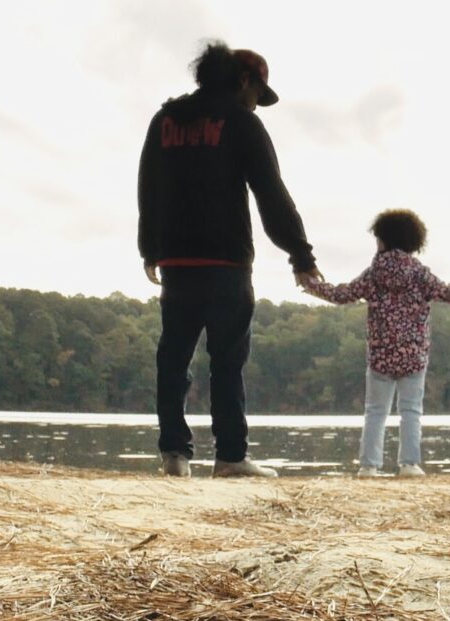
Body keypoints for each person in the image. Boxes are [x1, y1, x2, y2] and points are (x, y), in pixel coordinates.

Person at [138, 41, 322, 479]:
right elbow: (271, 194)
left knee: (174, 358)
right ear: (243, 81)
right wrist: (300, 253)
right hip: (226, 262)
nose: (258, 104)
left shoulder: (164, 120)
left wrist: (150, 248)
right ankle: (231, 457)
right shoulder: (241, 123)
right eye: (259, 93)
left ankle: (174, 456)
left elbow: (148, 188)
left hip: (177, 262)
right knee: (226, 362)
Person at [303, 210, 450, 477]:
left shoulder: (374, 273)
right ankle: (409, 464)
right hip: (413, 355)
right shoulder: (418, 272)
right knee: (411, 411)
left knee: (375, 412)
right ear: (414, 240)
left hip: (380, 355)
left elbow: (342, 295)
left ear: (382, 239)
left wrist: (311, 285)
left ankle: (368, 466)